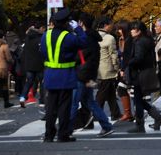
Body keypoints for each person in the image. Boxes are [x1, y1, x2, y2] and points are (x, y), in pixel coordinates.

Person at [40, 8, 88, 143]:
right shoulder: (68, 37)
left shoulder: (46, 35)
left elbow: (42, 52)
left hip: (50, 74)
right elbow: (83, 42)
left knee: (51, 107)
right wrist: (78, 28)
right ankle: (63, 134)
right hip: (65, 75)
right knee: (64, 107)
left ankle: (48, 135)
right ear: (67, 23)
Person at [69, 13, 114, 138]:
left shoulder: (86, 39)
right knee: (90, 102)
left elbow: (79, 56)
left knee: (74, 102)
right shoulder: (93, 38)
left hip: (82, 74)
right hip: (90, 74)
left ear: (82, 23)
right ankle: (106, 126)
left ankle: (67, 129)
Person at [124, 20, 161, 133]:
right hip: (146, 72)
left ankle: (140, 125)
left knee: (137, 100)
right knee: (138, 99)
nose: (131, 31)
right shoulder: (147, 40)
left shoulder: (139, 42)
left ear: (139, 31)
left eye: (133, 29)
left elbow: (139, 57)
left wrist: (129, 63)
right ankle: (156, 116)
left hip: (139, 73)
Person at [96, 17, 121, 120]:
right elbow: (113, 54)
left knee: (110, 92)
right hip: (107, 69)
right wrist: (117, 67)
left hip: (98, 68)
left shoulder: (94, 36)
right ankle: (96, 113)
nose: (112, 26)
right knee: (102, 93)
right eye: (111, 24)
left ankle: (115, 112)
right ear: (106, 25)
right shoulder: (109, 38)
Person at [19, 23, 45, 108]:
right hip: (39, 64)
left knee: (29, 82)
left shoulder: (27, 39)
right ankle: (42, 100)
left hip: (29, 64)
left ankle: (23, 97)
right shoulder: (40, 39)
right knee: (42, 83)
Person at [116, 20, 134, 122]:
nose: (118, 31)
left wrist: (123, 69)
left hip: (128, 69)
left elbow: (126, 57)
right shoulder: (122, 39)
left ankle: (129, 113)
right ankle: (128, 113)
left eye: (120, 29)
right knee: (123, 89)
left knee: (126, 90)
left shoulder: (129, 41)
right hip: (125, 68)